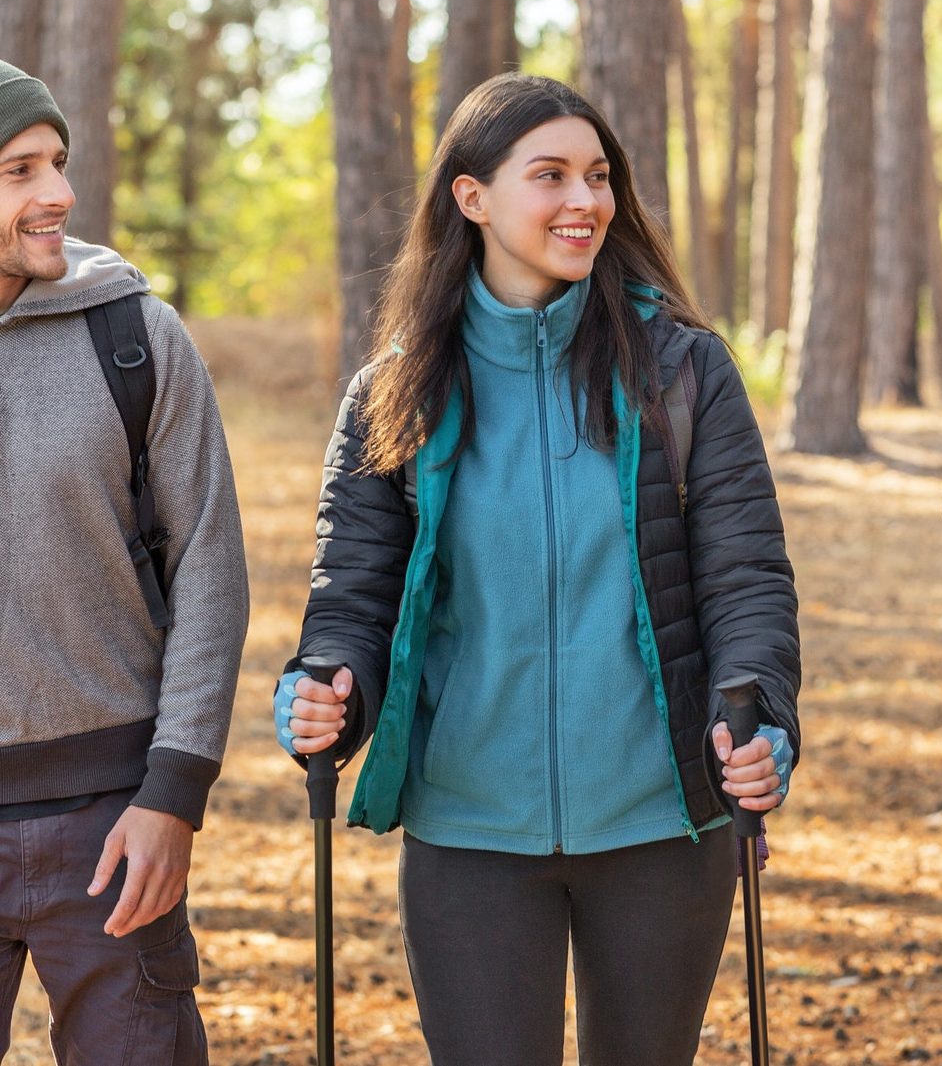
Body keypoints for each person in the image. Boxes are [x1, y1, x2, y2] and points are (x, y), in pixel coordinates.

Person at [275, 72, 800, 1065]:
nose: (584, 201)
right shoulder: (395, 393)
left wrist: (764, 712)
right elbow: (353, 592)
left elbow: (746, 582)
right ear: (470, 196)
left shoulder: (681, 371)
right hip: (469, 829)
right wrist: (320, 687)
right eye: (549, 175)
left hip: (660, 827)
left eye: (598, 176)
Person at [0, 60, 248, 1063]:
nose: (58, 192)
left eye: (57, 163)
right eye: (20, 170)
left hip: (111, 825)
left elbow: (211, 573)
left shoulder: (135, 334)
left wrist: (171, 799)